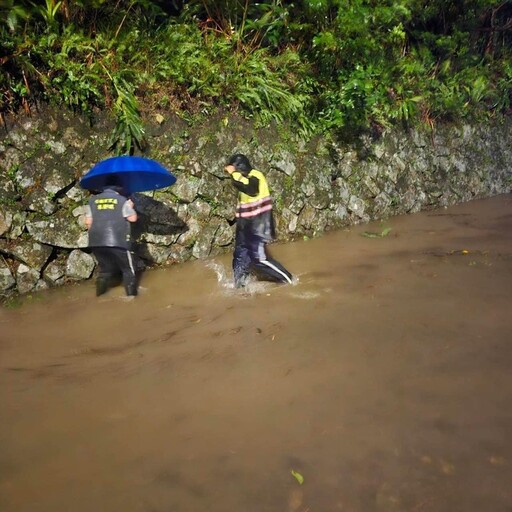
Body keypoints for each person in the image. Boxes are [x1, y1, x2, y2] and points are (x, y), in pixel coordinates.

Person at [225, 153, 293, 288]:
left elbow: (250, 189)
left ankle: (290, 280)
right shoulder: (243, 180)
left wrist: (234, 173)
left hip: (258, 225)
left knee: (259, 259)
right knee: (240, 255)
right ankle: (240, 286)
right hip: (245, 226)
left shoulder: (255, 176)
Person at [84, 177, 139, 297]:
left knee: (105, 270)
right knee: (128, 270)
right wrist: (130, 206)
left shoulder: (92, 200)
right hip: (117, 241)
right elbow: (132, 218)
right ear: (118, 188)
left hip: (96, 241)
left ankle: (99, 296)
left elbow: (88, 222)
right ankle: (132, 299)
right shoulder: (122, 200)